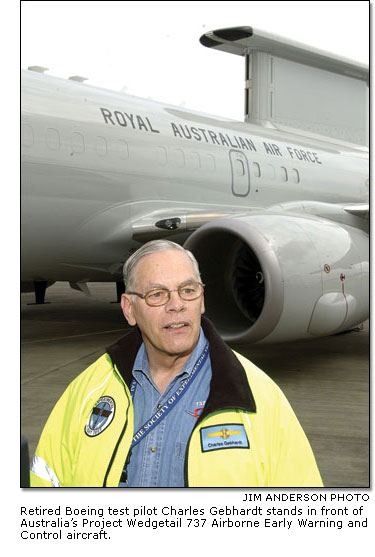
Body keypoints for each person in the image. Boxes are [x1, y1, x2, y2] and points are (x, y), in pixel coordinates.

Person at [30, 240, 323, 487]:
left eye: (187, 290)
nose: (176, 304)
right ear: (129, 309)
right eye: (157, 294)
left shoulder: (259, 398)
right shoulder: (85, 394)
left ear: (202, 300)